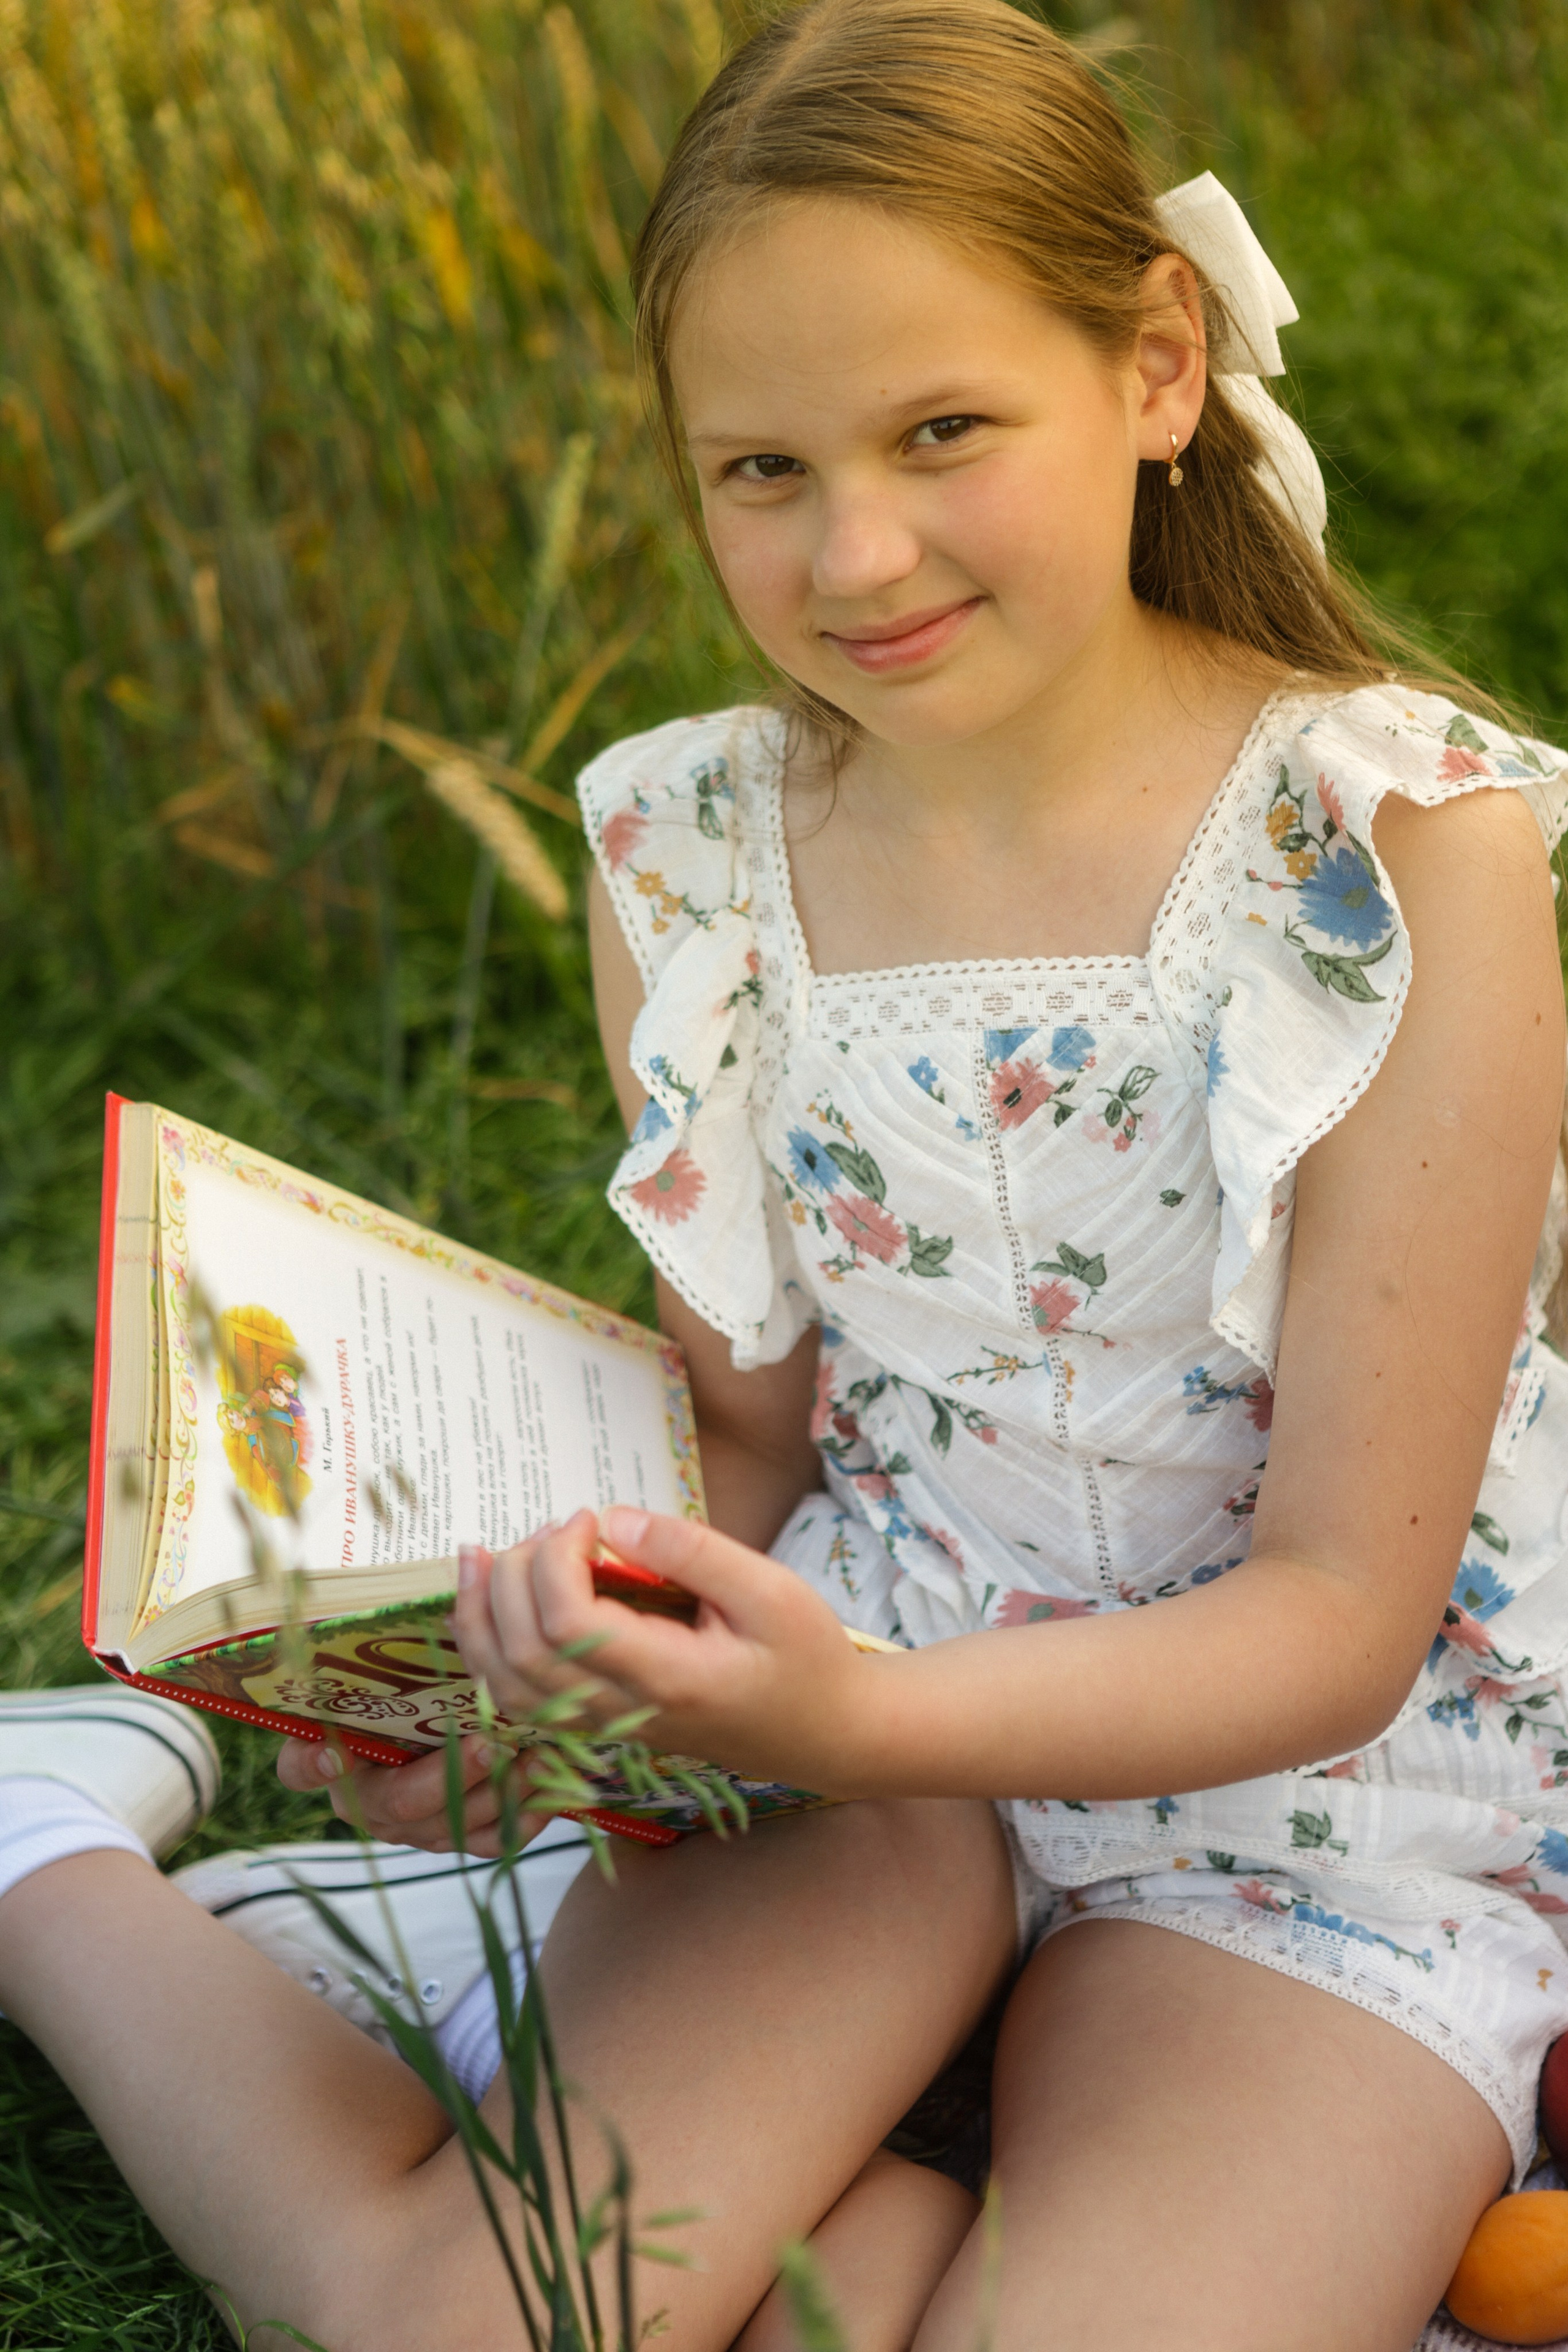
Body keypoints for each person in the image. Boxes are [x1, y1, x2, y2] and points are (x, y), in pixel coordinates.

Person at [2, 4, 1567, 2346]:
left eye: (945, 431)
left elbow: (1347, 1612)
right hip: (853, 1756)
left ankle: (820, 2166)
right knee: (459, 2318)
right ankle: (45, 1854)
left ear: (1156, 366)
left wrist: (843, 1716)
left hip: (1311, 1821)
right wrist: (521, 1691)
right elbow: (747, 1445)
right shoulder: (694, 852)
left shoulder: (1393, 854)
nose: (853, 552)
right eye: (757, 469)